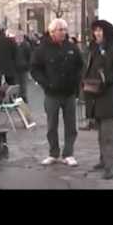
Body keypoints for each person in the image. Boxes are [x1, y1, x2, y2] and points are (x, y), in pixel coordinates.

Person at [30, 19, 84, 167]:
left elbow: (80, 66)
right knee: (51, 125)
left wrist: (76, 81)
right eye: (60, 30)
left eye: (65, 29)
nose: (63, 32)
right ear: (52, 32)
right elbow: (34, 68)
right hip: (52, 93)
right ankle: (53, 153)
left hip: (69, 93)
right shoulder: (43, 49)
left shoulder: (71, 47)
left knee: (70, 125)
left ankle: (68, 153)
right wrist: (45, 83)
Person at [83, 20, 113, 180]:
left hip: (108, 94)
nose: (97, 33)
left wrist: (107, 79)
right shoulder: (94, 47)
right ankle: (103, 160)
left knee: (108, 133)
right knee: (100, 132)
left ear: (106, 32)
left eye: (100, 31)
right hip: (94, 93)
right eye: (95, 30)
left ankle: (111, 166)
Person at [15, 32, 32, 103]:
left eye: (19, 37)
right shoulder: (14, 45)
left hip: (23, 66)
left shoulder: (26, 45)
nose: (18, 38)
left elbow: (29, 56)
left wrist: (28, 66)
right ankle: (18, 96)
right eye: (17, 37)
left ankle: (23, 96)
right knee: (17, 82)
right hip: (16, 67)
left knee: (23, 82)